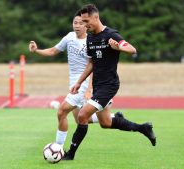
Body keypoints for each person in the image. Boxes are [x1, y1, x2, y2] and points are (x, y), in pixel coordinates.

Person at [63, 4, 156, 160]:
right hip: (99, 85)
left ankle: (70, 154)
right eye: (82, 22)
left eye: (86, 21)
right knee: (105, 123)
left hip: (109, 86)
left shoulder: (111, 35)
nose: (85, 25)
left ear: (96, 17)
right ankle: (143, 128)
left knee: (83, 115)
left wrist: (119, 47)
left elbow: (132, 49)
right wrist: (79, 82)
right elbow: (92, 62)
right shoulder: (91, 37)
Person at [29, 10, 120, 147]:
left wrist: (89, 88)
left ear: (86, 25)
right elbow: (53, 51)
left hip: (83, 83)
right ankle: (115, 118)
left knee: (61, 111)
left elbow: (94, 66)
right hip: (74, 83)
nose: (77, 25)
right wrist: (36, 50)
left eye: (81, 23)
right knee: (81, 119)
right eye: (75, 22)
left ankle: (58, 147)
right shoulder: (69, 37)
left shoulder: (91, 40)